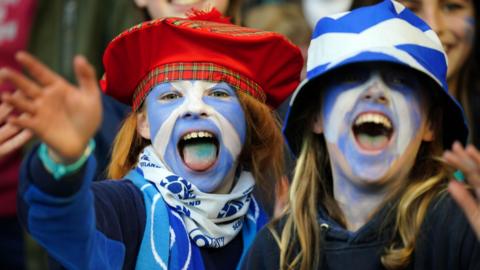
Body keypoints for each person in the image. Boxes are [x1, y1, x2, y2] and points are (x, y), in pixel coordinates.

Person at [0, 10, 303, 269]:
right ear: (144, 124)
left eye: (219, 94)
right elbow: (63, 229)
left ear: (248, 121)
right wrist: (63, 162)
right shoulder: (124, 211)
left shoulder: (273, 216)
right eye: (171, 96)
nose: (195, 108)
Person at [243, 1, 480, 269]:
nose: (375, 91)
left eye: (400, 80)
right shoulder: (275, 251)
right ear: (316, 116)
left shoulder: (462, 228)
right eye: (352, 77)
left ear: (431, 125)